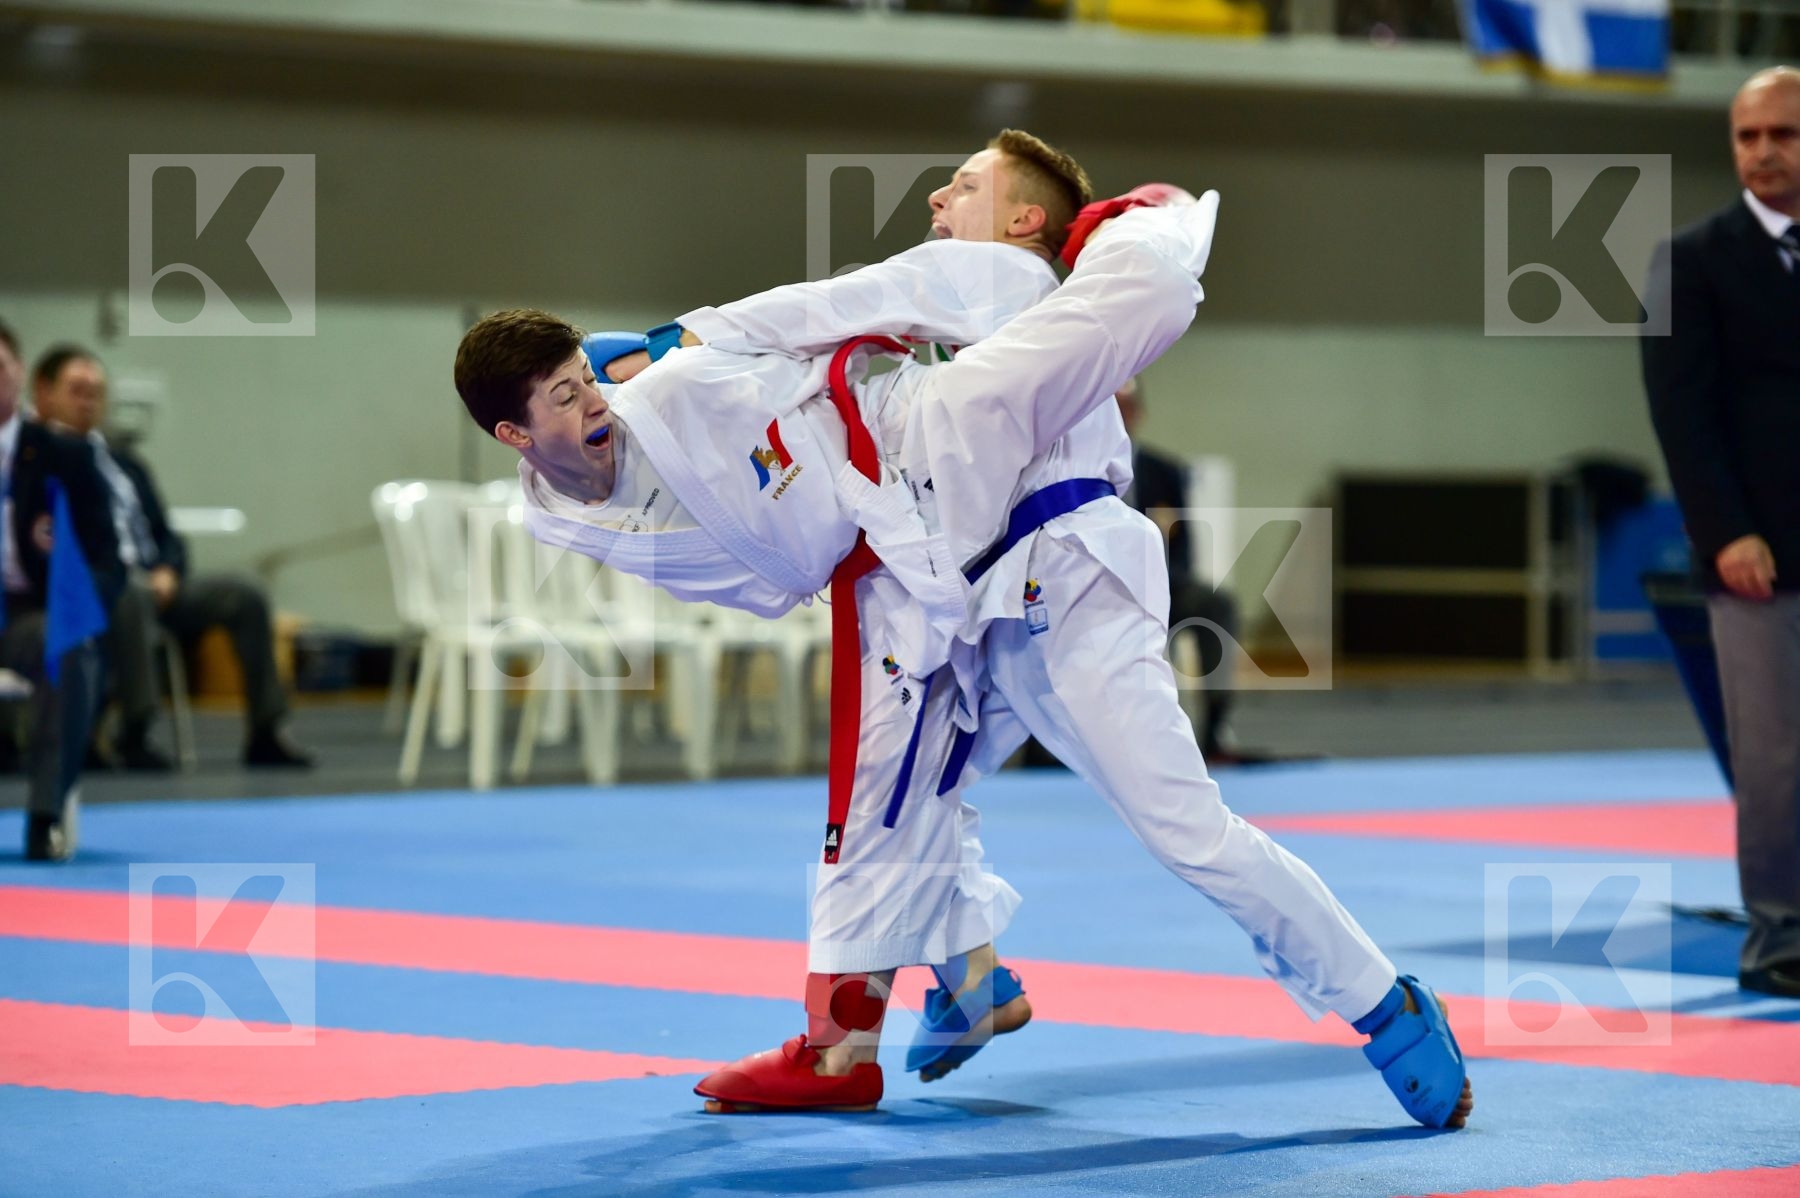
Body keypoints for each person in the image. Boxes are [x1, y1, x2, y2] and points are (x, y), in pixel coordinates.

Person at [458, 136, 1470, 1129]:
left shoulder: (1013, 309)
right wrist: (674, 354)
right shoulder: (935, 334)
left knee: (1183, 829)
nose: (938, 197)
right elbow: (849, 314)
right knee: (893, 797)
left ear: (1028, 218)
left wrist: (1132, 219)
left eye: (965, 185)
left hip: (1064, 573)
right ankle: (908, 1009)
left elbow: (841, 305)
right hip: (937, 581)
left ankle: (1385, 1004)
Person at [1643, 66, 1800, 1000]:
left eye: (1782, 133)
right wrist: (1726, 531)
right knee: (1776, 753)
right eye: (1747, 136)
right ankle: (1779, 936)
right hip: (1754, 552)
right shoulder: (1689, 261)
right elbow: (1680, 413)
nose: (1764, 151)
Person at [31, 347, 313, 770]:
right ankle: (135, 729)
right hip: (100, 591)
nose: (88, 400)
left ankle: (267, 729)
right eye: (77, 390)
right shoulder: (35, 464)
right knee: (131, 594)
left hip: (155, 585)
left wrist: (168, 568)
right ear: (44, 394)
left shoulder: (123, 463)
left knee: (245, 594)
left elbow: (166, 534)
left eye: (96, 392)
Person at [0, 320, 121, 861]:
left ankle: (45, 815)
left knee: (69, 643)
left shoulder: (61, 456)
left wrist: (75, 606)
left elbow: (106, 559)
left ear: (20, 377)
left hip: (26, 612)